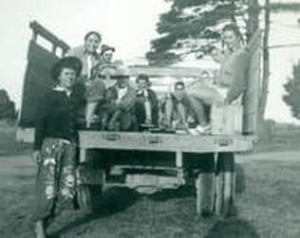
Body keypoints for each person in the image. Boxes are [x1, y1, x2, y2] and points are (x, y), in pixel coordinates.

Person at [33, 57, 82, 238]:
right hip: (51, 145)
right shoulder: (48, 95)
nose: (70, 77)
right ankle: (39, 227)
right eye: (67, 74)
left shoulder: (76, 97)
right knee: (47, 187)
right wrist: (37, 148)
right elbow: (41, 122)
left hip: (70, 147)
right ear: (59, 76)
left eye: (73, 75)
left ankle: (46, 223)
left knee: (67, 190)